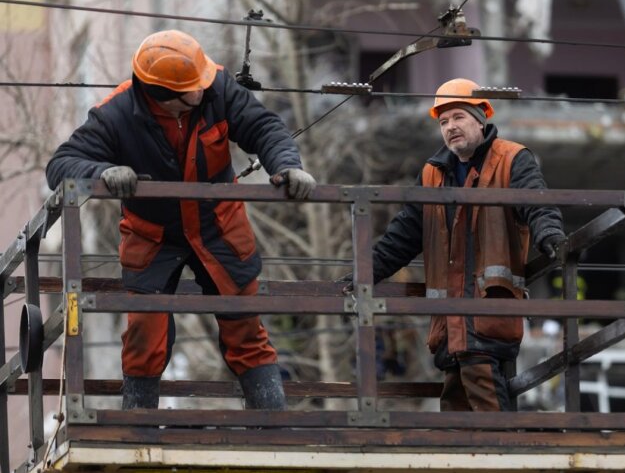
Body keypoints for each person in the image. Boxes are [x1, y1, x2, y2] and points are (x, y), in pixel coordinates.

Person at [46, 29, 317, 410]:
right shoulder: (117, 114)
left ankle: (272, 422)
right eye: (193, 89)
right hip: (152, 234)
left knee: (244, 326)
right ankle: (140, 429)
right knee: (145, 332)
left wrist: (288, 167)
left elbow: (264, 127)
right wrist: (103, 172)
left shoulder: (217, 87)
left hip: (217, 226)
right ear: (163, 96)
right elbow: (60, 165)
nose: (203, 90)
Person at [345, 78, 566, 411]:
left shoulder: (512, 159)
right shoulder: (432, 175)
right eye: (443, 122)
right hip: (449, 329)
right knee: (456, 407)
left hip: (487, 314)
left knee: (481, 400)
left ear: (480, 118)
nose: (450, 127)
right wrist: (363, 274)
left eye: (458, 117)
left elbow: (536, 203)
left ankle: (503, 458)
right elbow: (403, 235)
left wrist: (550, 234)